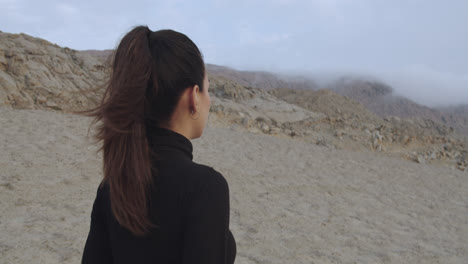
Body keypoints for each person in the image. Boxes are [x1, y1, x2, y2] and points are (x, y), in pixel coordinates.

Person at [81, 26, 236, 264]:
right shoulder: (205, 188)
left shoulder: (111, 187)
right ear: (193, 97)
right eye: (207, 89)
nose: (210, 99)